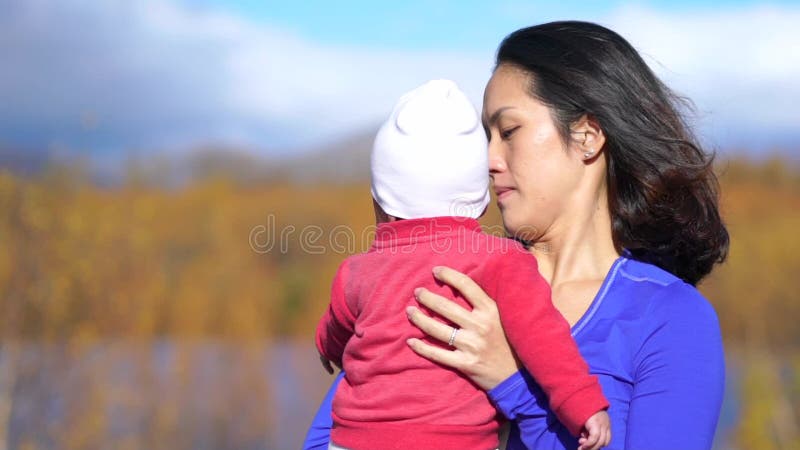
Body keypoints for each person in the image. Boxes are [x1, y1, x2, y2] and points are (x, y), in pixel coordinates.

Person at [306, 20, 728, 450]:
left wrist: (513, 384)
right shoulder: (453, 278)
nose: (488, 160)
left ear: (587, 135)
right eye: (484, 138)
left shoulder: (671, 319)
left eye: (508, 132)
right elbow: (335, 434)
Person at [314, 79, 610, 450]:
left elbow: (335, 332)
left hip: (351, 440)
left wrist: (325, 346)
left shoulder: (355, 271)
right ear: (479, 203)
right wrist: (582, 404)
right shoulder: (500, 260)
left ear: (379, 203)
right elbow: (544, 341)